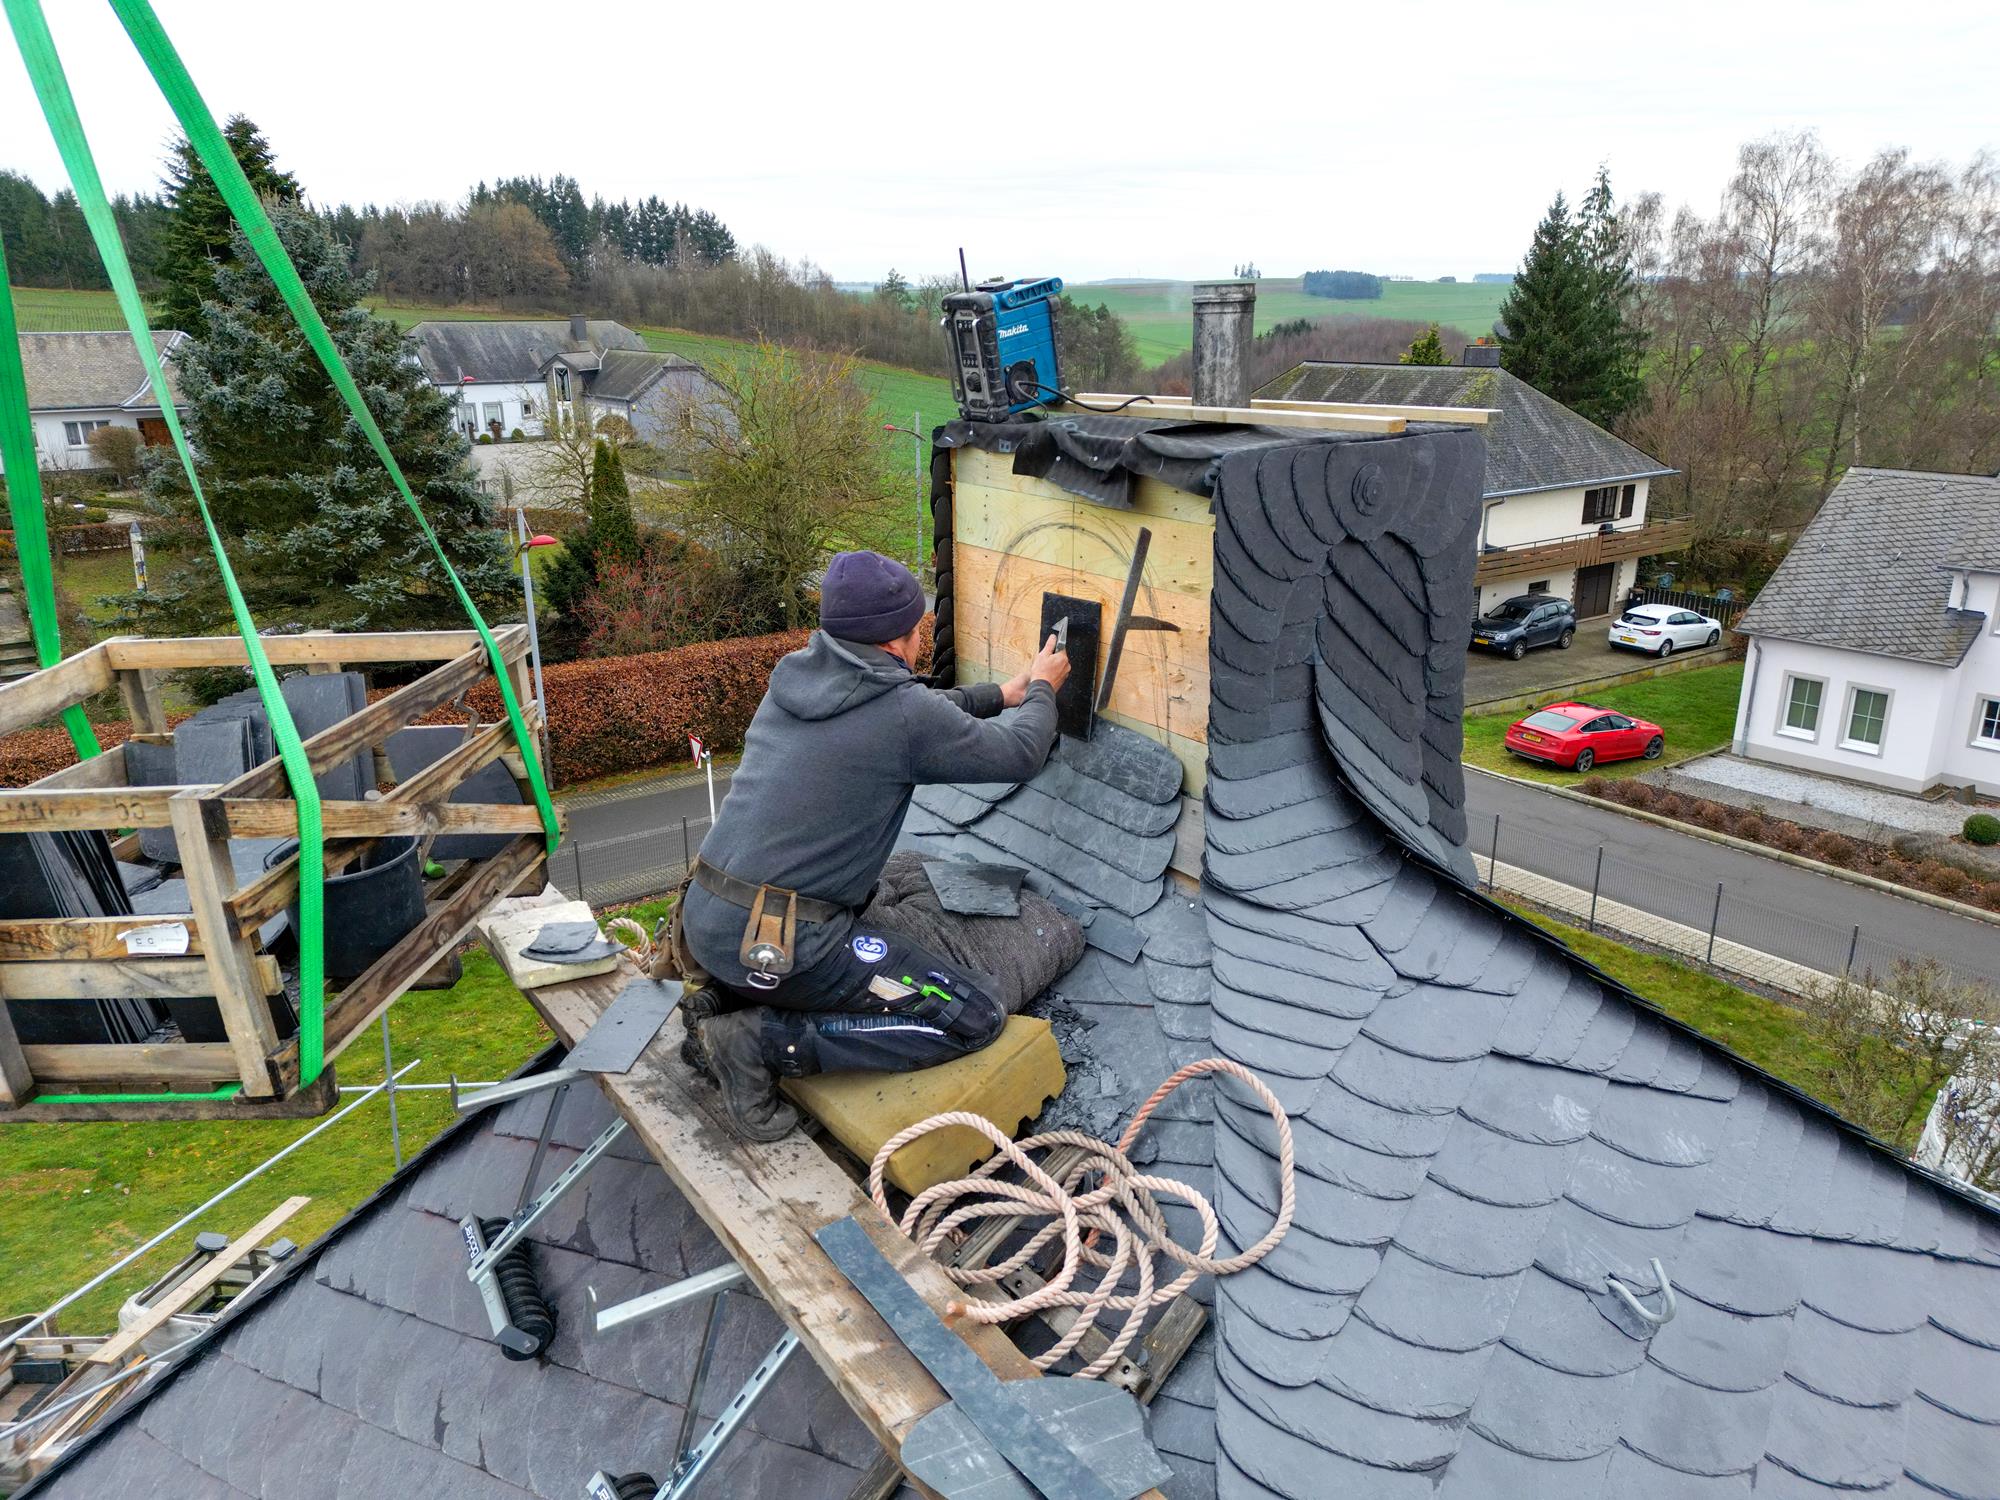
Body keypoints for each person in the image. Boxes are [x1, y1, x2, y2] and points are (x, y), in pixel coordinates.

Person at [677, 549, 1071, 1140]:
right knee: (972, 1017)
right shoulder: (901, 714)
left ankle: (723, 1000)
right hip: (784, 944)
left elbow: (913, 711)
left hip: (708, 917)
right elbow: (1019, 753)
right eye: (919, 630)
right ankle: (755, 1042)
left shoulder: (796, 677)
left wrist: (1001, 694)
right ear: (899, 640)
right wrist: (1042, 689)